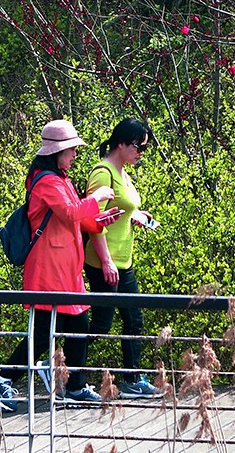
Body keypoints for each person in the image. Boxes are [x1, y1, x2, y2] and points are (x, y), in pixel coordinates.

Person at [0, 119, 120, 411]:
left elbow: (77, 217)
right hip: (48, 268)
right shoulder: (46, 181)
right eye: (70, 150)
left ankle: (74, 386)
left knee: (77, 325)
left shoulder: (61, 179)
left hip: (65, 268)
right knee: (45, 331)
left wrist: (99, 221)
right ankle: (2, 379)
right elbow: (70, 212)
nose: (74, 155)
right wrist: (95, 198)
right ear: (55, 152)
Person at [83, 118, 159, 397]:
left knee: (133, 319)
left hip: (123, 261)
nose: (141, 153)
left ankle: (132, 379)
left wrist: (136, 216)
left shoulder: (123, 172)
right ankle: (59, 367)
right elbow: (92, 220)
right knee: (101, 324)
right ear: (121, 143)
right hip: (105, 260)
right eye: (138, 147)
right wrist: (105, 261)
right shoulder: (103, 173)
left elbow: (120, 209)